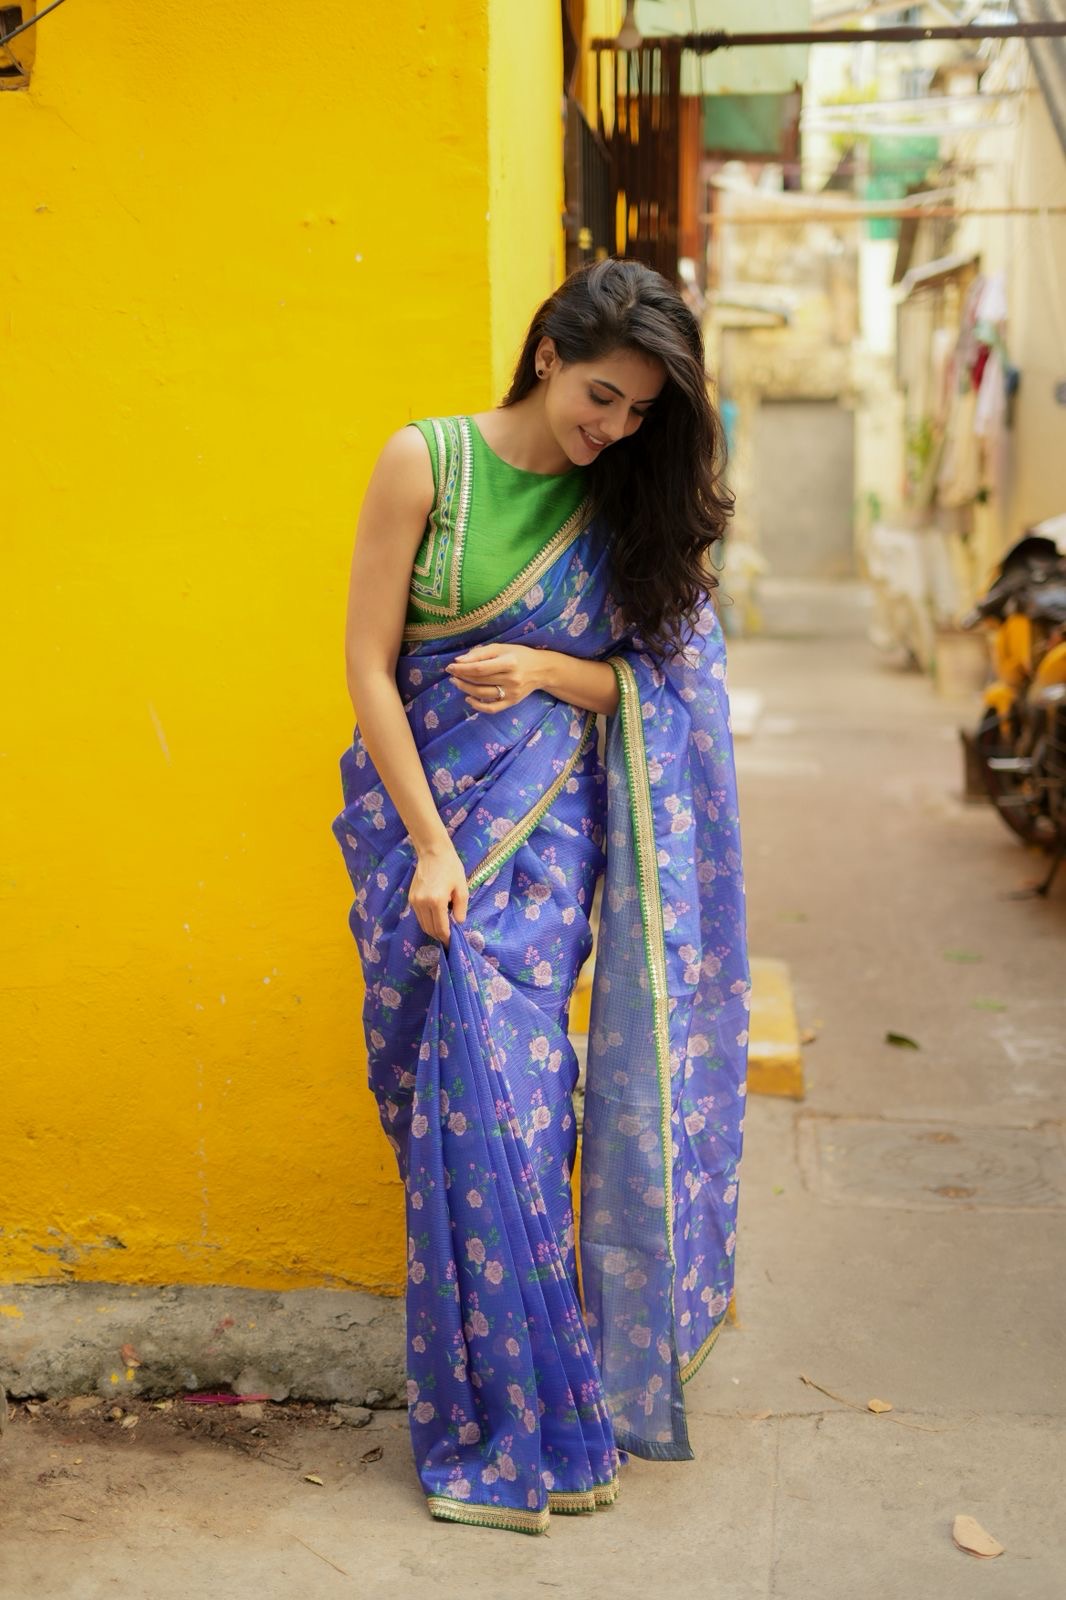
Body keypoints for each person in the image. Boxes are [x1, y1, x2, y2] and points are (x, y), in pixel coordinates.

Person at [331, 257, 750, 1535]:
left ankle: (535, 1418)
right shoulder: (426, 463)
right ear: (549, 353)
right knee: (442, 1112)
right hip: (424, 827)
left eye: (639, 413)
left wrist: (549, 671)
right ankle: (494, 1407)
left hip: (545, 843)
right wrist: (429, 847)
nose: (612, 429)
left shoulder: (625, 505)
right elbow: (367, 662)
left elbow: (669, 688)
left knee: (511, 1111)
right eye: (601, 397)